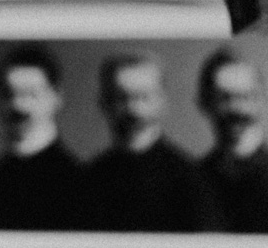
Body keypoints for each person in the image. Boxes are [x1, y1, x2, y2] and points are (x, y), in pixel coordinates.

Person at [82, 52, 223, 232]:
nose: (133, 109)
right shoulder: (90, 179)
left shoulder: (190, 181)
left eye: (143, 97)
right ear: (104, 103)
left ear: (161, 101)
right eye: (122, 97)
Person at [0, 44, 86, 230]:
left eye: (31, 94)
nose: (17, 106)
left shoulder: (78, 184)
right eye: (8, 94)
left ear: (56, 97)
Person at [195, 48, 268, 234]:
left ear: (261, 100)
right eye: (224, 97)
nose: (236, 108)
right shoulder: (192, 181)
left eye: (246, 97)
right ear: (205, 103)